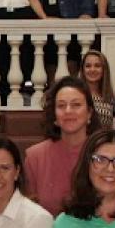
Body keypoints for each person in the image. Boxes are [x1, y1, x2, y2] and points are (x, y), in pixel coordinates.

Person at [24, 77, 96, 217]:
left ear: (89, 113)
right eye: (61, 106)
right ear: (54, 116)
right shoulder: (35, 157)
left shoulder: (103, 153)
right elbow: (28, 213)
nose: (68, 111)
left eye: (76, 105)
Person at [80, 50, 115, 129]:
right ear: (83, 70)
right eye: (88, 66)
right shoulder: (76, 95)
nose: (92, 70)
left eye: (97, 66)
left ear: (104, 70)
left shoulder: (111, 99)